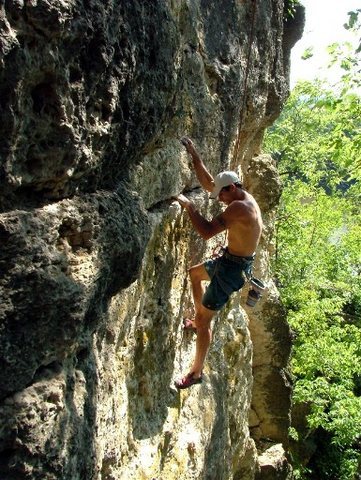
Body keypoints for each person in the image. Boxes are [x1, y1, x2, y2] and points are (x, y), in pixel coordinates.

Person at [174, 137, 263, 389]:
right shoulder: (240, 194)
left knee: (205, 323)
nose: (218, 199)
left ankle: (196, 372)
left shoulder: (239, 208)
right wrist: (194, 154)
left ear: (232, 189)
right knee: (194, 274)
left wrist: (189, 207)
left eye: (221, 195)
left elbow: (205, 231)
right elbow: (210, 183)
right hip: (231, 261)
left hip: (232, 271)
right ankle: (198, 317)